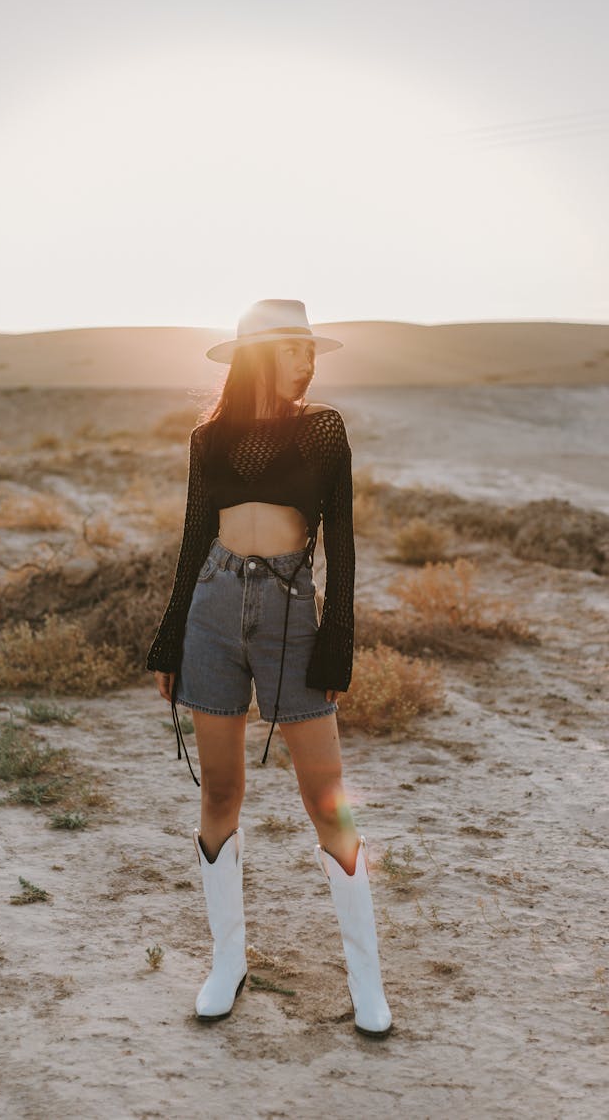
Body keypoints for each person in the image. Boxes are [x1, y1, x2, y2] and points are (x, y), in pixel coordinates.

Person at [146, 299, 392, 1038]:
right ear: (258, 354)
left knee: (326, 799)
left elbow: (341, 539)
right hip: (214, 613)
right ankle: (228, 963)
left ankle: (367, 981)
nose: (307, 358)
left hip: (292, 615)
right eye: (291, 346)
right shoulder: (209, 438)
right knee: (221, 788)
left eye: (310, 347)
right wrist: (168, 638)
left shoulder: (323, 429)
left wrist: (339, 632)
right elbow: (194, 540)